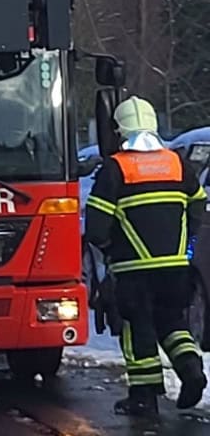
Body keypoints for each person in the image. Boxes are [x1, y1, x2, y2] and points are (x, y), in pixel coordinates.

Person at [85, 95, 207, 417]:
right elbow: (197, 204)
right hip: (176, 267)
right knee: (173, 322)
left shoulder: (116, 168)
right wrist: (186, 243)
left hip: (133, 269)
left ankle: (144, 397)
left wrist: (111, 252)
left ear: (119, 130)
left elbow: (96, 229)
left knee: (136, 328)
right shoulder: (177, 163)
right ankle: (191, 370)